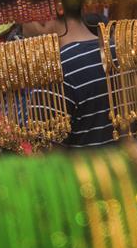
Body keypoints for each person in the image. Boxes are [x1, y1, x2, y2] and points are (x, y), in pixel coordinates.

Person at [21, 8, 117, 148]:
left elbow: (43, 152)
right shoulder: (122, 51)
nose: (21, 26)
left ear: (43, 15)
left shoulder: (55, 70)